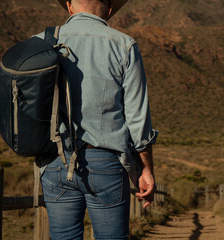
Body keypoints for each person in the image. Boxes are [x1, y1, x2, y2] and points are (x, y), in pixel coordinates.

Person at [36, 0, 158, 239]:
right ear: (110, 9)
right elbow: (137, 119)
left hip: (54, 160)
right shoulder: (123, 45)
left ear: (70, 6)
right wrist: (145, 170)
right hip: (105, 162)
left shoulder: (41, 42)